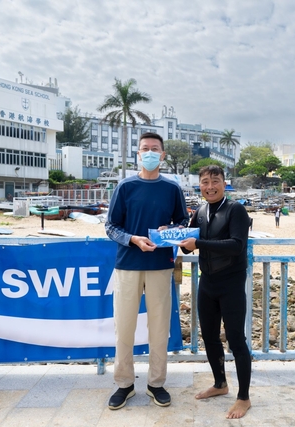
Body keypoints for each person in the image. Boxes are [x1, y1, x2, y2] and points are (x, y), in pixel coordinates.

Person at [105, 132, 189, 410]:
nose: (150, 153)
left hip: (160, 266)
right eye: (145, 149)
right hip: (127, 265)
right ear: (138, 154)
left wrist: (171, 230)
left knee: (159, 328)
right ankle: (124, 384)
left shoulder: (172, 188)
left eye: (155, 149)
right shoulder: (125, 187)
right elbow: (111, 226)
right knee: (124, 328)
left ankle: (156, 383)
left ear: (162, 155)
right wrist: (132, 239)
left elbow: (183, 222)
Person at [178, 165, 252, 419]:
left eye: (215, 181)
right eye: (205, 182)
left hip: (231, 284)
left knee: (236, 340)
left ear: (224, 183)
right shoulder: (200, 212)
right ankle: (220, 384)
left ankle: (244, 398)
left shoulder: (235, 209)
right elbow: (186, 247)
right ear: (200, 185)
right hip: (207, 283)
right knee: (209, 337)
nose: (210, 187)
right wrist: (171, 234)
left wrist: (198, 242)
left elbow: (236, 245)